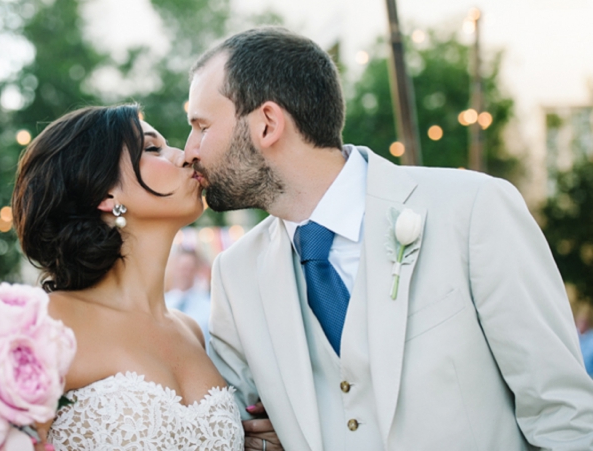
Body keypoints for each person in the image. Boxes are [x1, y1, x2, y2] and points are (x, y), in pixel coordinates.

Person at [184, 27, 593, 450]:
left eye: (201, 126)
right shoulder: (235, 275)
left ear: (267, 124)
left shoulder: (472, 210)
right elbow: (231, 426)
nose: (189, 151)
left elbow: (562, 413)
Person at [10, 105, 271, 449]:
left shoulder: (190, 331)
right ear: (105, 194)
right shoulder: (48, 325)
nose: (185, 156)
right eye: (152, 148)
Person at [164, 248, 212, 345]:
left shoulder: (209, 306)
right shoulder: (162, 302)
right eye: (181, 268)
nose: (185, 273)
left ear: (196, 270)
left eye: (189, 268)